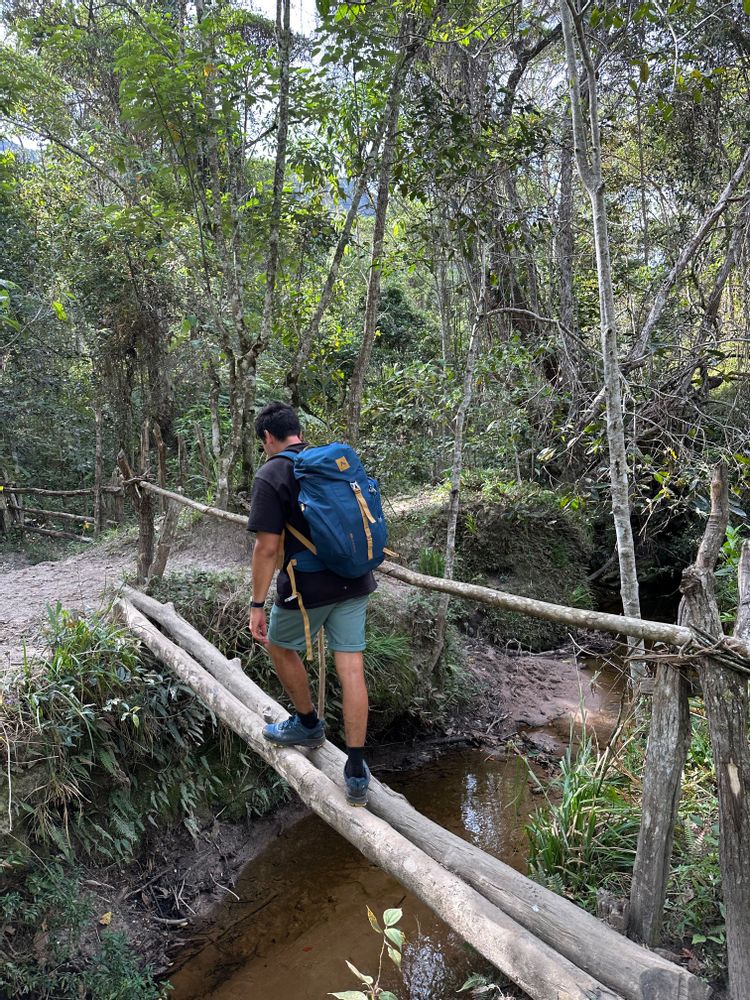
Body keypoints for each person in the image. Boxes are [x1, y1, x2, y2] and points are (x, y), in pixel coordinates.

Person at [247, 401, 376, 806]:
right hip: (356, 579)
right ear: (297, 430)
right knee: (351, 666)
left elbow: (267, 549)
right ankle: (356, 769)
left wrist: (256, 604)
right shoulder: (334, 462)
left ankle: (306, 724)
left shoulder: (272, 473)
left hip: (308, 587)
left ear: (268, 437)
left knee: (281, 646)